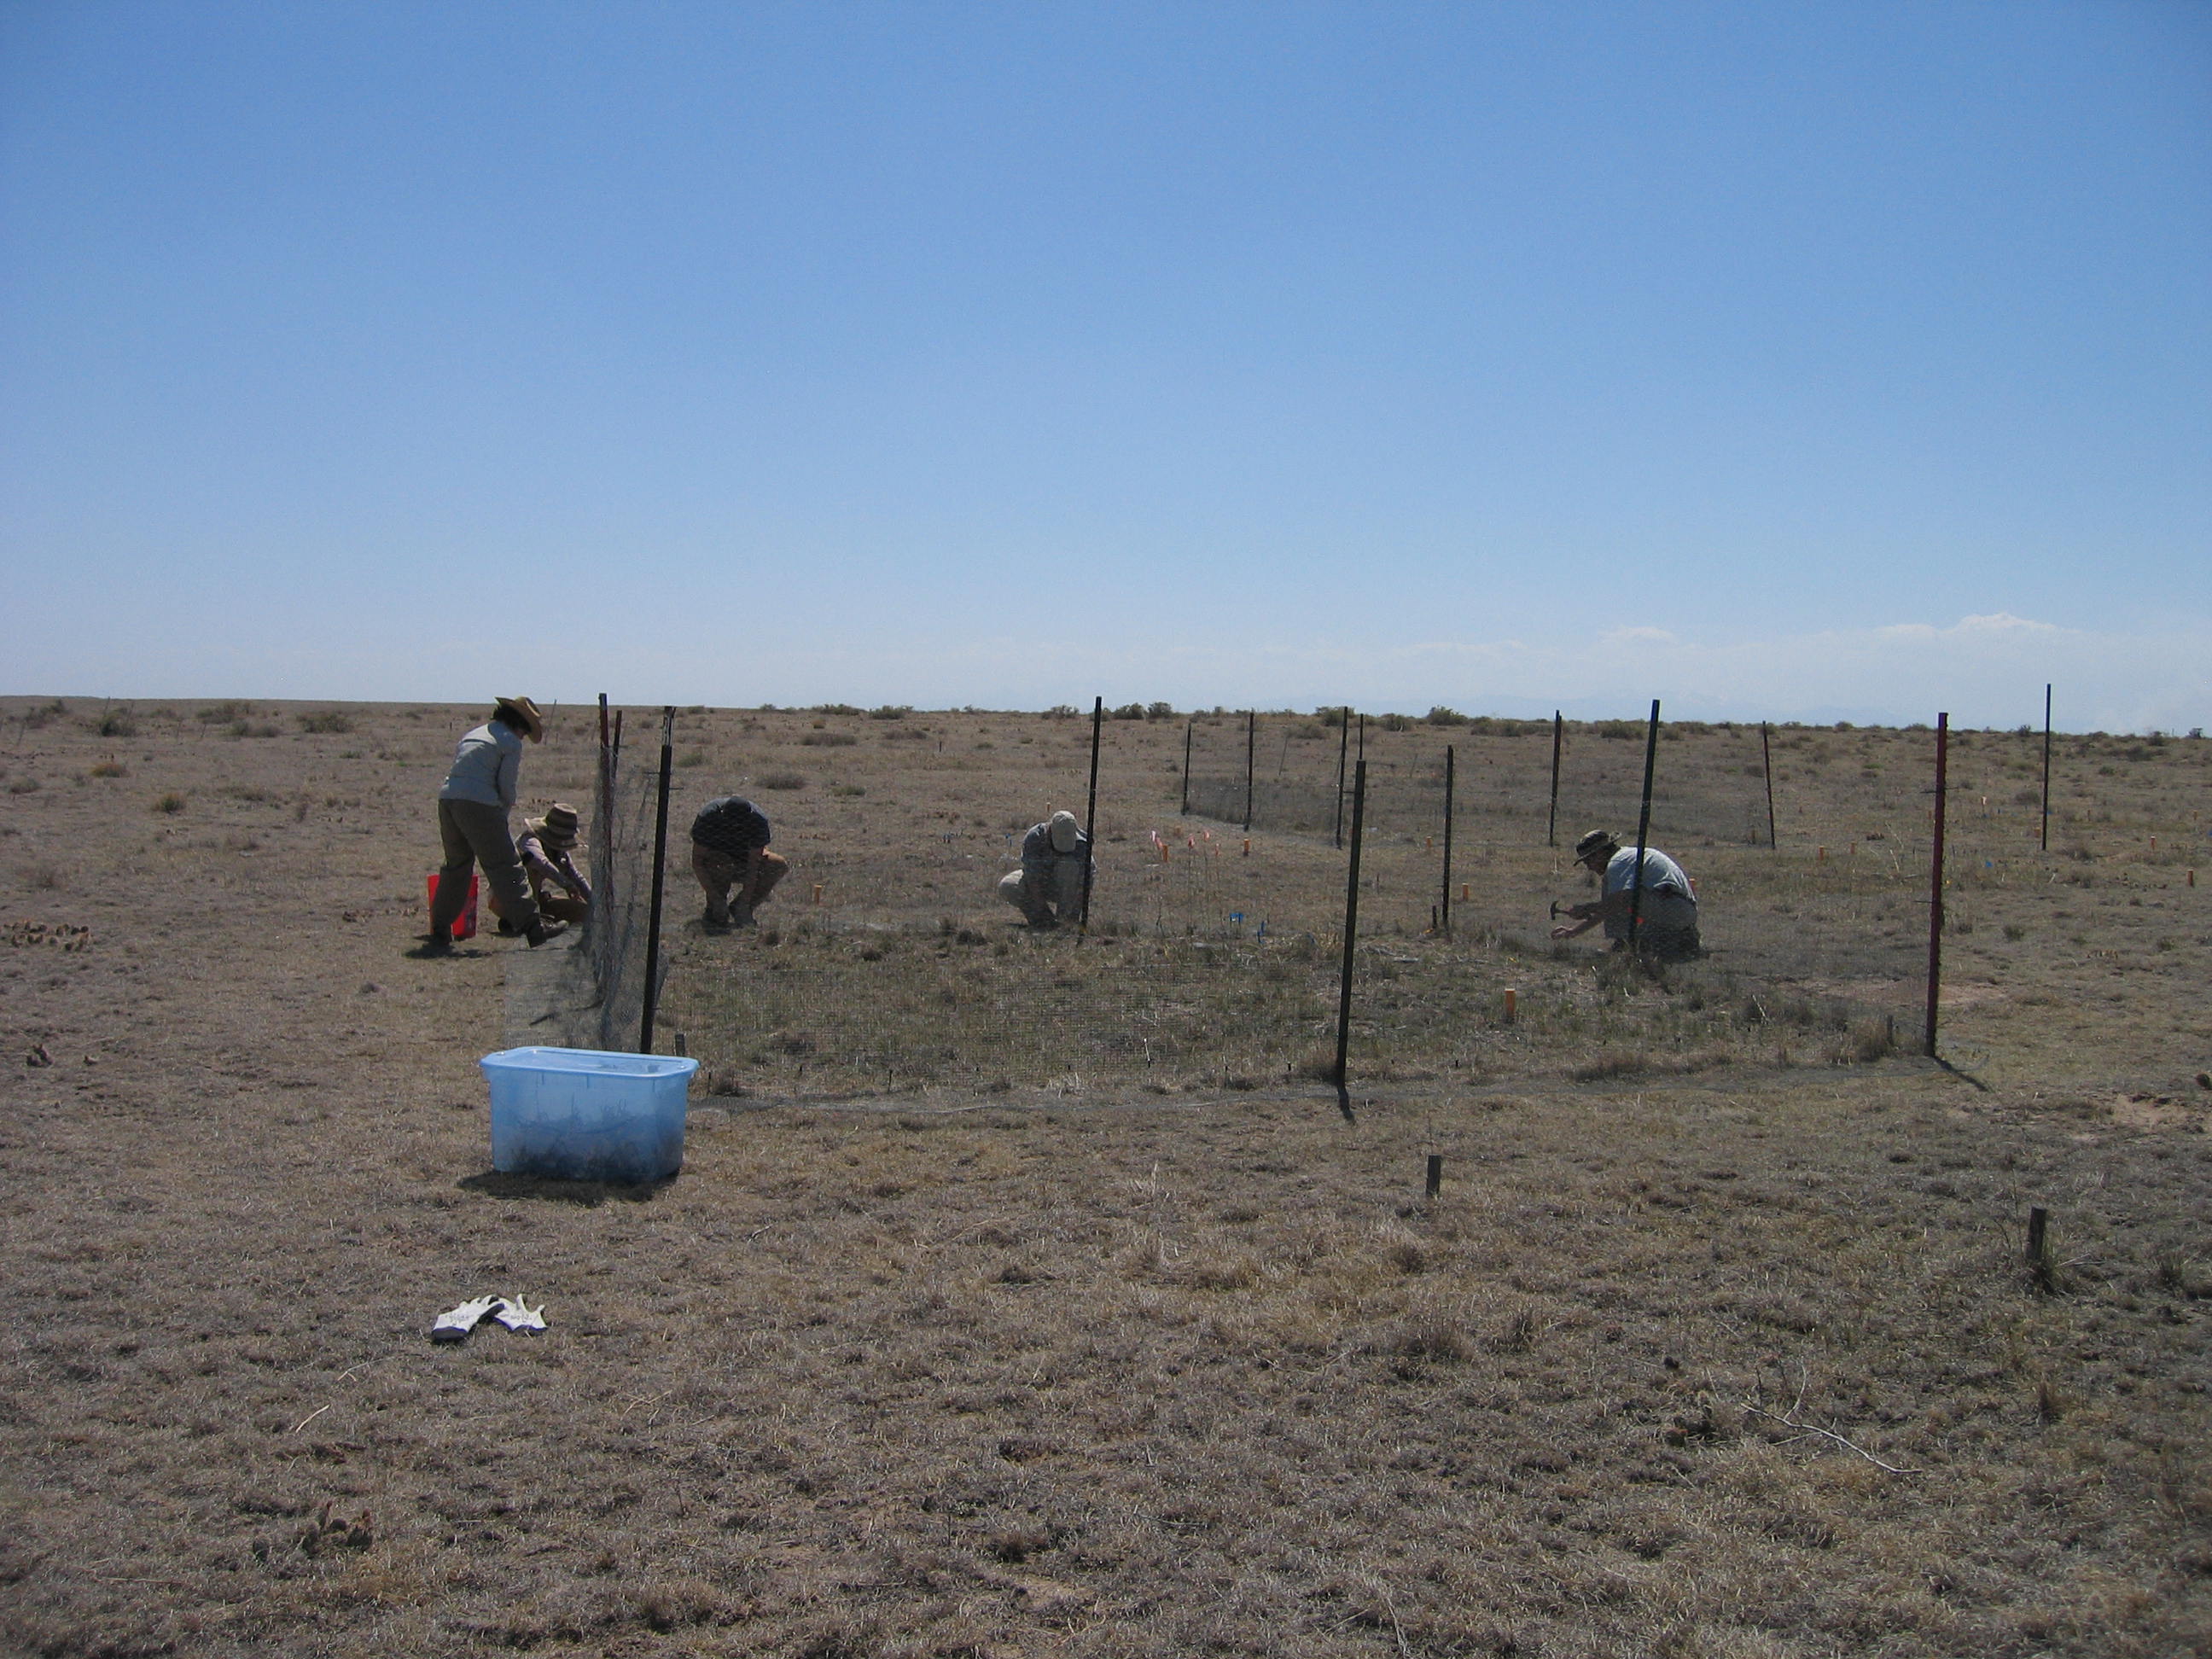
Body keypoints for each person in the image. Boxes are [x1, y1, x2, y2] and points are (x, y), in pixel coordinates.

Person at [424, 696, 564, 953]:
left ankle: (441, 929)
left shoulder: (474, 734)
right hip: (479, 804)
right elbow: (507, 786)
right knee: (505, 865)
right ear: (519, 725)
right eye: (526, 731)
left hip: (448, 800)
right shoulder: (510, 741)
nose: (524, 737)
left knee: (456, 865)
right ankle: (534, 927)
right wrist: (501, 812)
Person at [1551, 828, 1701, 959]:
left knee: (1619, 896)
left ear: (1601, 853)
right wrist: (1575, 931)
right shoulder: (1626, 857)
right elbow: (1612, 907)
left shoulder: (1618, 863)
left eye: (1589, 861)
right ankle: (1673, 940)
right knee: (1618, 898)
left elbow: (1619, 902)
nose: (1589, 868)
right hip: (1679, 909)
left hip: (1674, 908)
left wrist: (1587, 908)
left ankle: (1625, 946)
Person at [490, 801, 592, 930]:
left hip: (534, 899)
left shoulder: (559, 852)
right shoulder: (530, 841)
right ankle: (523, 920)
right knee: (533, 869)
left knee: (584, 911)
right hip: (503, 898)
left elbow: (575, 876)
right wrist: (567, 885)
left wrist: (594, 903)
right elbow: (540, 862)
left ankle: (533, 919)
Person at [691, 794, 789, 929]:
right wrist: (716, 899)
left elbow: (753, 866)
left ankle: (740, 908)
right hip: (718, 860)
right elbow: (698, 861)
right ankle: (715, 910)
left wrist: (745, 902)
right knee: (721, 863)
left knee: (778, 865)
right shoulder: (709, 817)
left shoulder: (758, 821)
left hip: (745, 858)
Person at [998, 810, 1092, 928]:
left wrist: (1074, 914)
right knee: (1008, 886)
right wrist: (1043, 911)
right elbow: (1033, 879)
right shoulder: (1035, 838)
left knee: (1069, 866)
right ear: (1049, 831)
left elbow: (1086, 883)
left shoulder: (1082, 844)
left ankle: (1064, 920)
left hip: (1067, 889)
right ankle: (1042, 922)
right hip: (1040, 883)